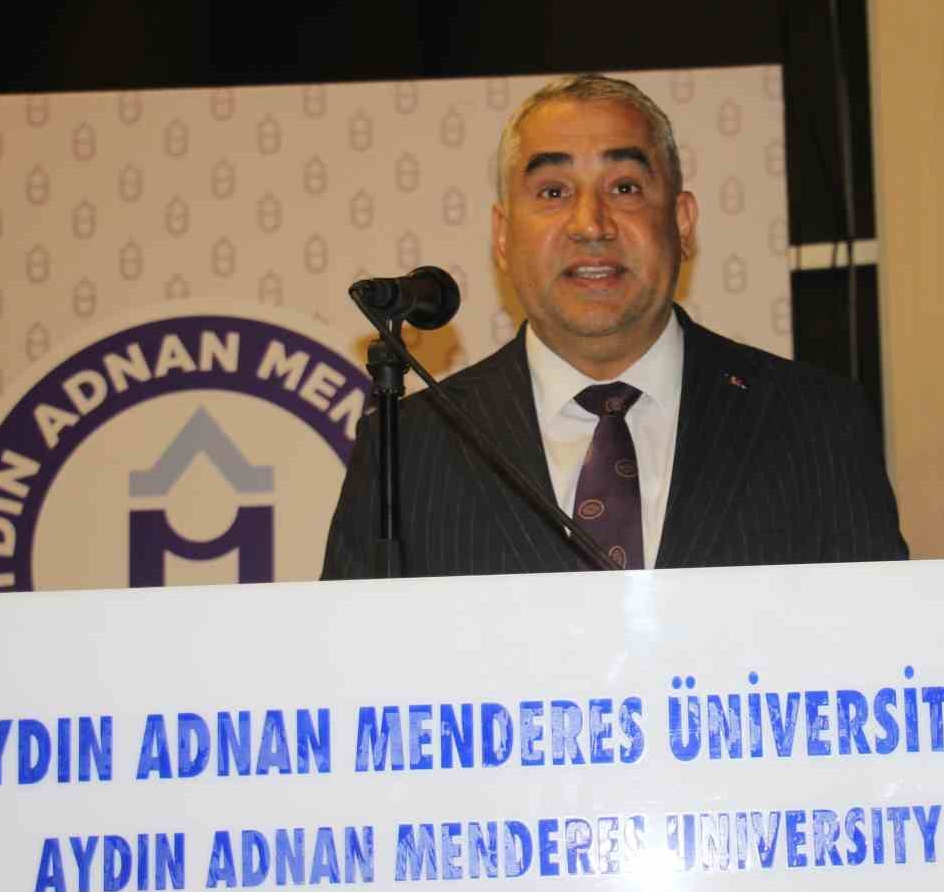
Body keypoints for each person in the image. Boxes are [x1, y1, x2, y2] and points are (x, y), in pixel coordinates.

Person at [321, 74, 908, 579]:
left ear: (682, 222)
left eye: (624, 188)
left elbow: (879, 649)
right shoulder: (410, 449)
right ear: (502, 237)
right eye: (553, 191)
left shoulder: (816, 422)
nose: (590, 224)